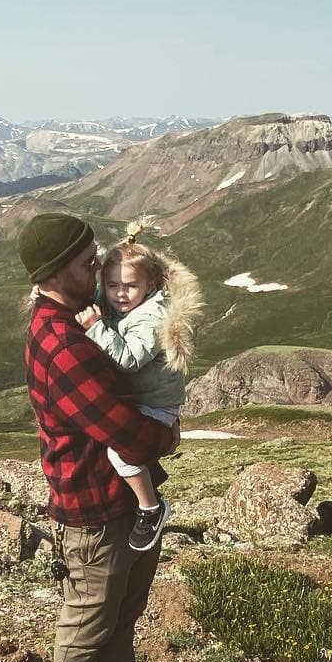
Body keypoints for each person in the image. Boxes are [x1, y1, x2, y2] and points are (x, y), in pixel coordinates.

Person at [18, 211, 182, 662]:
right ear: (56, 270)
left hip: (120, 499)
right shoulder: (62, 342)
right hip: (92, 504)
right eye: (88, 263)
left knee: (122, 612)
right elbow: (118, 427)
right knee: (88, 615)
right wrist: (166, 435)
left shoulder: (71, 326)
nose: (97, 268)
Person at [75, 221, 202, 552]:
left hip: (156, 403)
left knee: (122, 451)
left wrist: (96, 328)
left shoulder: (150, 317)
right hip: (143, 398)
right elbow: (102, 300)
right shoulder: (125, 303)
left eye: (130, 286)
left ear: (151, 284)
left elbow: (128, 359)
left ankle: (150, 508)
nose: (119, 293)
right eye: (112, 284)